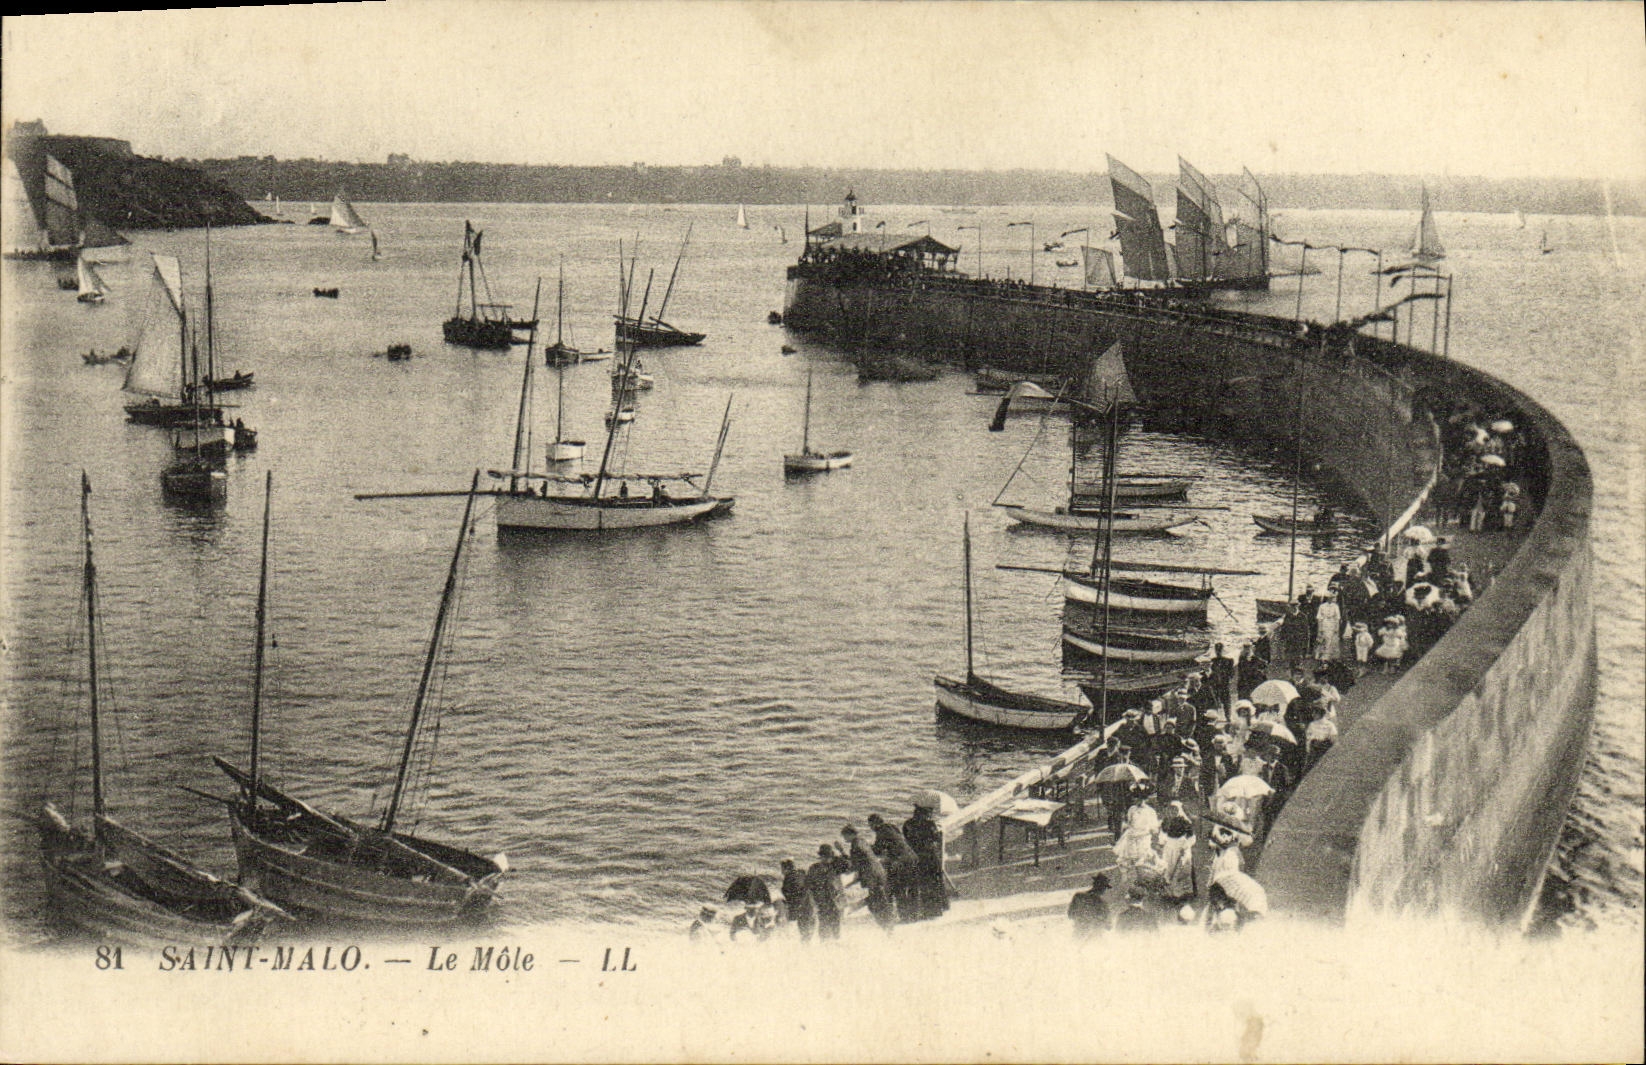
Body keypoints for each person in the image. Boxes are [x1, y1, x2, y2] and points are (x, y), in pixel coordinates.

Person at [839, 825, 896, 931]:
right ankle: (887, 925)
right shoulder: (862, 841)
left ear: (850, 834)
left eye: (844, 836)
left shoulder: (856, 846)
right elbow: (863, 859)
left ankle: (887, 926)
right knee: (879, 899)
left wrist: (842, 853)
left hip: (872, 876)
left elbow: (854, 864)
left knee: (877, 902)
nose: (844, 838)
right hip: (879, 872)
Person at [867, 813, 920, 923]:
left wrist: (868, 847)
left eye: (870, 825)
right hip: (912, 857)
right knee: (912, 888)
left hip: (901, 861)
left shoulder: (881, 832)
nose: (870, 828)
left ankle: (905, 917)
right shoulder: (892, 827)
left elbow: (877, 849)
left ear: (875, 823)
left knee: (899, 889)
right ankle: (914, 915)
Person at [903, 799, 949, 921]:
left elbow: (906, 839)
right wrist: (938, 831)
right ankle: (933, 911)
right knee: (933, 883)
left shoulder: (907, 824)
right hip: (930, 857)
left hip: (916, 857)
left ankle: (919, 911)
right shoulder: (930, 825)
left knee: (919, 885)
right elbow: (937, 838)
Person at [804, 843, 849, 941]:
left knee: (836, 929)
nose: (826, 859)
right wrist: (812, 903)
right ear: (820, 856)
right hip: (822, 902)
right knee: (823, 929)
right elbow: (808, 887)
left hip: (836, 901)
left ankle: (834, 944)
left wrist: (842, 851)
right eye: (824, 856)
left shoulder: (835, 866)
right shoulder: (814, 868)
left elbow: (848, 864)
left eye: (828, 856)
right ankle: (826, 946)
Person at [779, 858, 815, 941]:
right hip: (811, 905)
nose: (781, 871)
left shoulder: (789, 878)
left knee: (804, 933)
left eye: (782, 868)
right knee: (808, 933)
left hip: (802, 908)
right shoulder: (801, 874)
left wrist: (791, 912)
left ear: (786, 868)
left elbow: (795, 897)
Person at [1067, 873, 1112, 939]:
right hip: (1094, 938)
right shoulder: (1102, 904)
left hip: (1079, 934)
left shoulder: (1079, 896)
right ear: (1102, 888)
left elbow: (1070, 915)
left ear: (1094, 884)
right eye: (1104, 887)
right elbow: (1108, 926)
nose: (1104, 890)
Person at [1315, 593, 1343, 661]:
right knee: (1323, 639)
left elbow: (1337, 618)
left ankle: (1329, 655)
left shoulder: (1336, 606)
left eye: (1333, 598)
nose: (1331, 599)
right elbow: (1319, 617)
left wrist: (1336, 627)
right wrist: (1320, 627)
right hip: (1324, 623)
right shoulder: (1322, 606)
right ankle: (1320, 654)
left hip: (1332, 623)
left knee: (1331, 639)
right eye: (1330, 598)